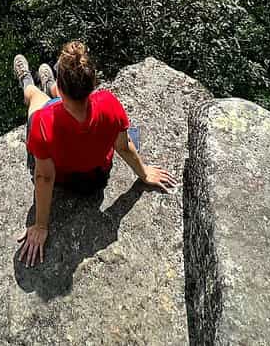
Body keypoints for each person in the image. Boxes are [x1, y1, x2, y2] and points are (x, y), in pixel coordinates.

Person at [12, 41, 177, 266]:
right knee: (53, 100)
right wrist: (144, 173)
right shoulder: (109, 103)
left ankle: (27, 82)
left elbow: (44, 177)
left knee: (34, 99)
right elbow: (124, 146)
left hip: (64, 179)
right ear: (93, 84)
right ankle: (49, 83)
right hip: (96, 179)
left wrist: (41, 226)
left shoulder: (44, 123)